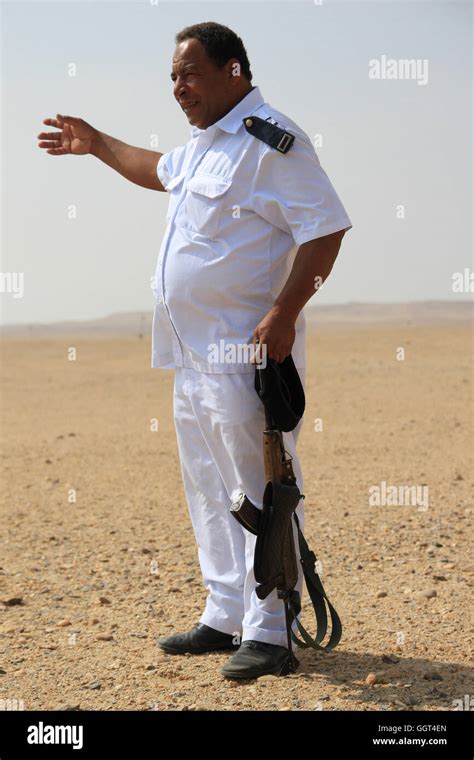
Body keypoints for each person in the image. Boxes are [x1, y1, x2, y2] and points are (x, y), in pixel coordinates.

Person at [37, 21, 352, 680]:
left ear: (234, 70)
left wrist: (284, 314)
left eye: (190, 73)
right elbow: (154, 169)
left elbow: (326, 230)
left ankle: (272, 630)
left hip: (245, 354)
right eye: (173, 78)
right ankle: (225, 613)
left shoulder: (272, 140)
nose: (179, 88)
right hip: (189, 356)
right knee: (210, 489)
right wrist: (95, 145)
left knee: (261, 488)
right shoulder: (207, 146)